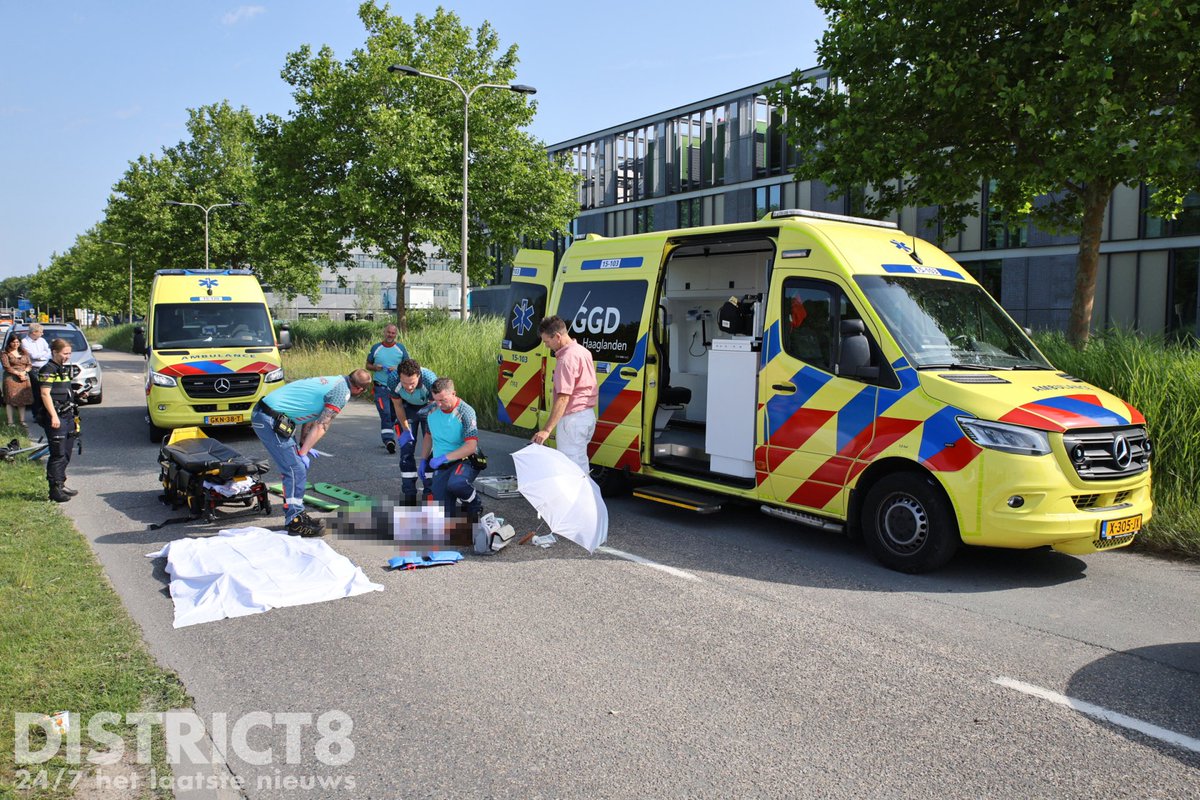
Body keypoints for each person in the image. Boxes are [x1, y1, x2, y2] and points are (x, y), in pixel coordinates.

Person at [251, 369, 372, 537]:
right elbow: (322, 425)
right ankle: (295, 521)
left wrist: (303, 444)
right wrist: (303, 452)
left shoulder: (334, 380)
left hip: (271, 416)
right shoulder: (341, 393)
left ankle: (296, 515)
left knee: (295, 467)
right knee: (295, 469)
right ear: (360, 389)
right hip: (269, 418)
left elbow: (310, 416)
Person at [532, 315, 598, 475]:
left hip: (573, 420)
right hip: (587, 416)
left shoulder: (566, 360)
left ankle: (583, 500)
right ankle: (586, 499)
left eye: (547, 341)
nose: (547, 346)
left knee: (572, 471)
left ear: (558, 336)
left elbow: (563, 398)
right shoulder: (583, 351)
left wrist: (546, 430)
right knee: (579, 466)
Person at [422, 378, 482, 524]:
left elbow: (471, 446)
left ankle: (474, 503)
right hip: (443, 465)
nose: (440, 404)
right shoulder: (431, 411)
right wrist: (423, 460)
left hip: (466, 459)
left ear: (453, 393)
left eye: (443, 400)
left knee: (456, 484)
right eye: (436, 400)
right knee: (442, 518)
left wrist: (444, 457)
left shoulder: (465, 412)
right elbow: (428, 436)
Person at [37, 338, 85, 503]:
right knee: (57, 454)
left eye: (69, 353)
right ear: (55, 352)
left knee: (66, 453)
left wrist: (78, 395)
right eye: (65, 353)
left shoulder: (62, 369)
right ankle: (54, 489)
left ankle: (61, 483)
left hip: (68, 416)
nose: (67, 356)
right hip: (56, 418)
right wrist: (54, 416)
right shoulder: (47, 370)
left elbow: (64, 391)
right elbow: (45, 394)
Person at [389, 358, 439, 504]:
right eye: (404, 383)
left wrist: (429, 436)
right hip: (407, 408)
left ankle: (430, 491)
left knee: (430, 451)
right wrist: (405, 429)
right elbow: (398, 407)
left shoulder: (430, 380)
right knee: (406, 450)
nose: (409, 387)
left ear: (419, 376)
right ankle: (409, 492)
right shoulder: (392, 380)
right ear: (399, 377)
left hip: (428, 408)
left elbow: (432, 411)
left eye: (412, 383)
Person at [365, 324, 409, 454]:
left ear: (396, 334)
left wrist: (397, 369)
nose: (390, 335)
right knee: (385, 414)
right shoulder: (376, 348)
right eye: (388, 332)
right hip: (380, 387)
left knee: (395, 415)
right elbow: (367, 365)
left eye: (393, 333)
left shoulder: (400, 348)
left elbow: (408, 366)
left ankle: (402, 439)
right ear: (384, 333)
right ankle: (389, 440)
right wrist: (375, 367)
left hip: (397, 387)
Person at [2, 335, 33, 427]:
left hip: (24, 377)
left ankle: (22, 421)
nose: (15, 344)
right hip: (11, 378)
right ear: (9, 342)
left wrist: (24, 372)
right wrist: (18, 373)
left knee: (22, 399)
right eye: (13, 342)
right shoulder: (5, 353)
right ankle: (10, 422)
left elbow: (29, 364)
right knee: (10, 399)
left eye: (17, 342)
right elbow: (6, 366)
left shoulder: (24, 352)